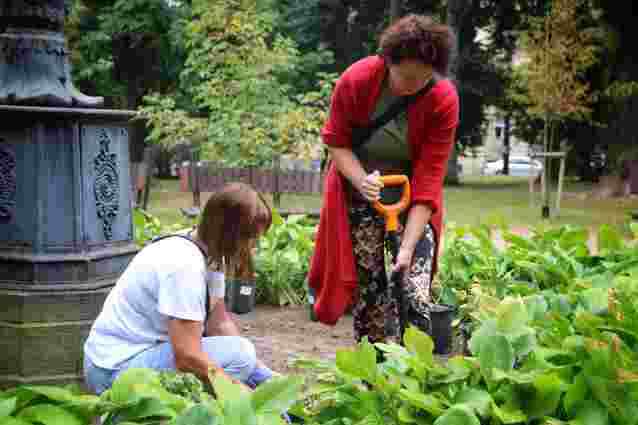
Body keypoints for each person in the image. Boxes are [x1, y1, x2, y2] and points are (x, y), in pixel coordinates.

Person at [308, 14, 460, 345]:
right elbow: (336, 139)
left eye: (422, 79)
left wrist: (407, 248)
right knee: (371, 291)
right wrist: (362, 181)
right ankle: (373, 377)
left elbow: (429, 179)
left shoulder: (443, 99)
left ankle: (416, 373)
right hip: (361, 192)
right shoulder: (359, 79)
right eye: (405, 77)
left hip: (413, 196)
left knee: (415, 290)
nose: (412, 86)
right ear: (387, 61)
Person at [84, 183, 276, 395]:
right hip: (114, 370)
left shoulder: (207, 250)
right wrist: (243, 394)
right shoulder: (184, 267)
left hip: (138, 355)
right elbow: (186, 356)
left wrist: (265, 376)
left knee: (241, 354)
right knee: (239, 358)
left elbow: (218, 323)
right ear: (228, 234)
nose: (253, 246)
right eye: (249, 238)